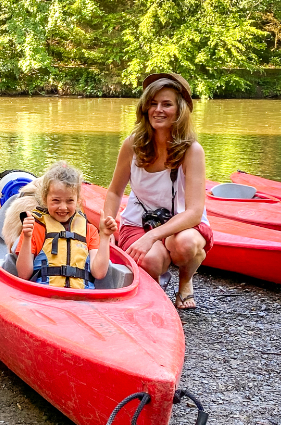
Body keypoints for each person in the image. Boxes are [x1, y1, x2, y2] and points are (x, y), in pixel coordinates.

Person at [102, 73, 213, 309]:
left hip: (182, 224)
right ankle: (154, 289)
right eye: (153, 104)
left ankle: (185, 281)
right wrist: (107, 228)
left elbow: (194, 212)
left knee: (184, 246)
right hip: (139, 221)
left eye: (166, 104)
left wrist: (152, 236)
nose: (158, 110)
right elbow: (114, 192)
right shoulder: (133, 144)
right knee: (150, 260)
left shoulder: (192, 151)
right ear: (145, 108)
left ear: (180, 109)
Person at [14, 161, 117, 289]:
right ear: (45, 198)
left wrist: (105, 236)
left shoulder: (89, 230)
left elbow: (99, 273)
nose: (63, 207)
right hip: (44, 296)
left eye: (70, 201)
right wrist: (27, 237)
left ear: (78, 201)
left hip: (82, 298)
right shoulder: (35, 228)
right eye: (56, 200)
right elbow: (23, 274)